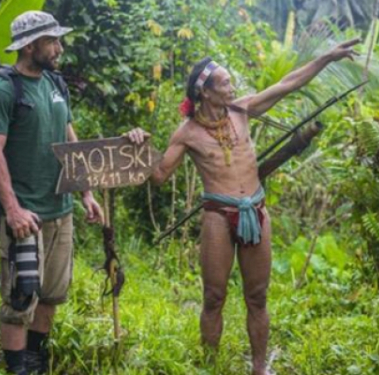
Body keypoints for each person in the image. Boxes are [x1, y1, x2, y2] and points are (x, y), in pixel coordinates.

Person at [149, 39, 360, 375]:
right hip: (218, 215)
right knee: (214, 297)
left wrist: (326, 57)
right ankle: (210, 367)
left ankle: (259, 368)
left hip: (255, 211)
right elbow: (158, 175)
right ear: (205, 92)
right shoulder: (187, 133)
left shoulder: (242, 110)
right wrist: (137, 145)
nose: (233, 87)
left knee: (258, 296)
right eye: (226, 83)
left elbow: (288, 84)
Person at [0, 11, 104, 375]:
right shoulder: (2, 90)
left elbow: (68, 138)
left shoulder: (55, 83)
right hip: (24, 216)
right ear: (30, 45)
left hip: (60, 211)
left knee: (51, 295)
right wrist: (12, 209)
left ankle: (37, 363)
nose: (59, 48)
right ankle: (17, 369)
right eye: (52, 41)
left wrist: (86, 194)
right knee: (21, 297)